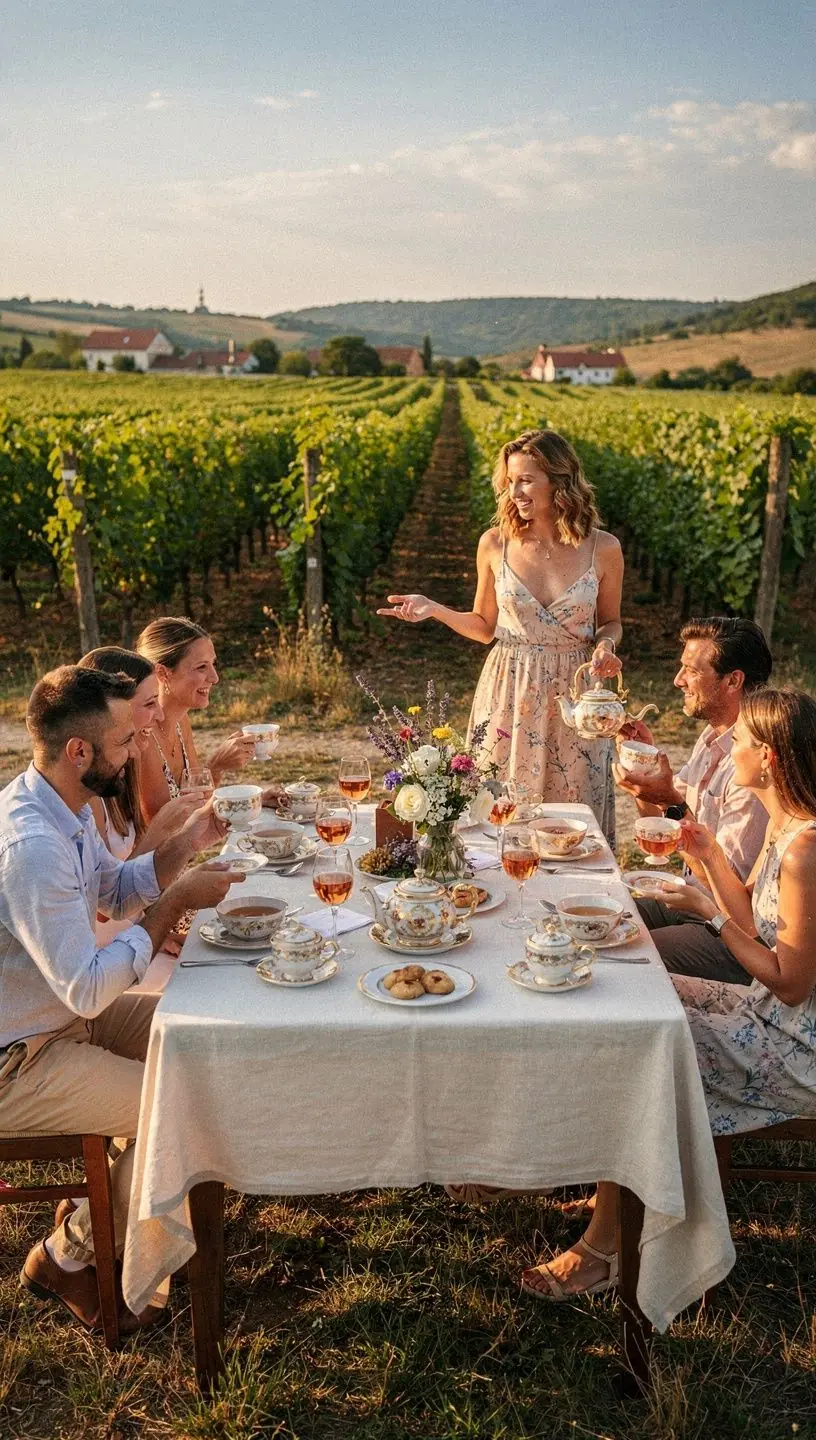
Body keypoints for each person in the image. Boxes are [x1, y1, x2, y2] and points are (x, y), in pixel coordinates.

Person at [520, 687, 816, 1301]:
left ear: (769, 757)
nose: (731, 746)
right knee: (618, 996)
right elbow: (755, 920)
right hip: (763, 1012)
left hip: (794, 1045)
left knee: (628, 1051)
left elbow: (791, 983)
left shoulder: (807, 851)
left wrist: (710, 917)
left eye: (740, 742)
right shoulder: (786, 826)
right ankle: (618, 1181)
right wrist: (705, 852)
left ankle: (607, 1249)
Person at [0, 665, 243, 1332]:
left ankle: (121, 1205)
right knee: (184, 1106)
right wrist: (173, 906)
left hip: (63, 1017)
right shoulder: (33, 846)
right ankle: (68, 1253)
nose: (137, 751)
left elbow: (114, 890)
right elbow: (88, 982)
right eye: (125, 742)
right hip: (19, 1057)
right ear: (80, 751)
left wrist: (194, 840)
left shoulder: (61, 804)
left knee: (207, 1033)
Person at [378, 430, 623, 842]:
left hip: (578, 696)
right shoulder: (495, 544)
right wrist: (434, 609)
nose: (515, 492)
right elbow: (484, 627)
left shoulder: (604, 548)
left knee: (574, 818)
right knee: (501, 813)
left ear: (559, 480)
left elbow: (611, 622)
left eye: (526, 480)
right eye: (509, 481)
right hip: (510, 688)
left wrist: (605, 645)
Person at [616, 617, 772, 982]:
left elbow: (728, 890)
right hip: (692, 897)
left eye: (691, 671)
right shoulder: (712, 736)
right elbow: (665, 831)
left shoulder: (754, 766)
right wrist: (647, 777)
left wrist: (669, 800)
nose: (677, 681)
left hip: (734, 931)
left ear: (733, 680)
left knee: (626, 956)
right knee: (599, 912)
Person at [135, 616, 257, 819]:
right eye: (202, 667)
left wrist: (256, 800)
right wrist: (215, 766)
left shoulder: (180, 721)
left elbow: (199, 806)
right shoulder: (142, 734)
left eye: (213, 664)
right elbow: (160, 823)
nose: (214, 678)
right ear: (163, 673)